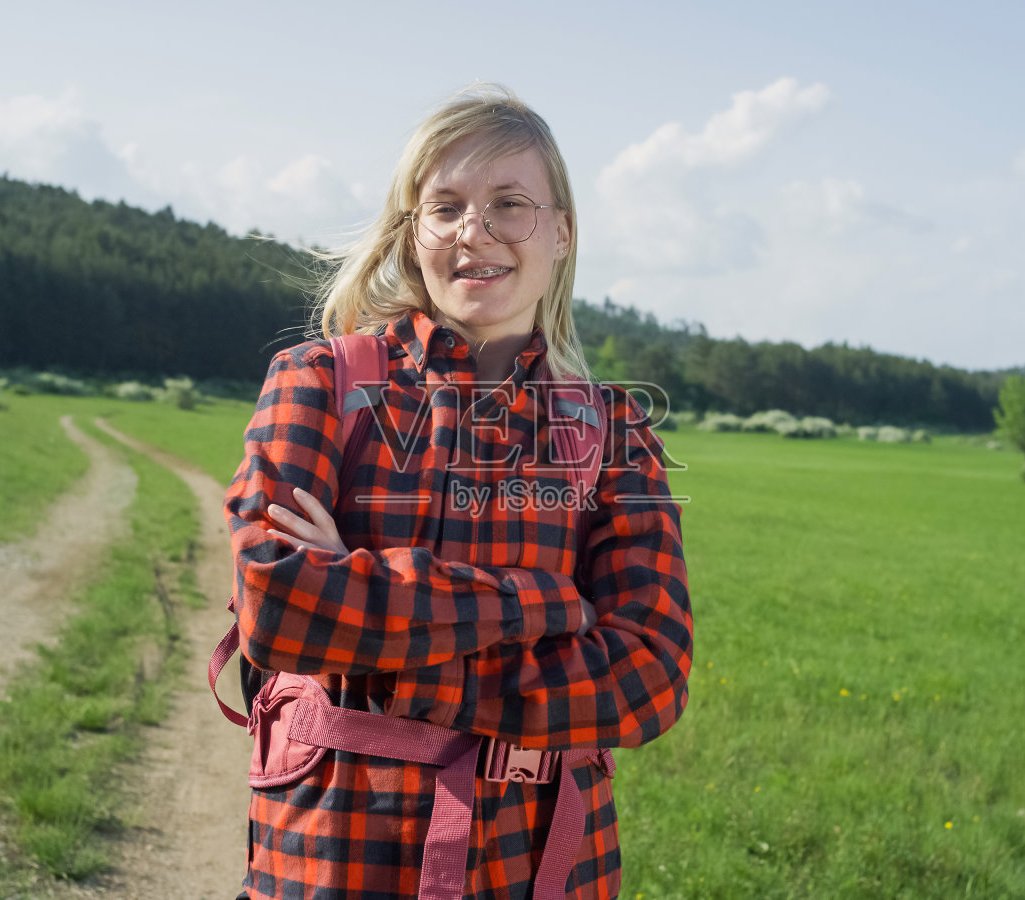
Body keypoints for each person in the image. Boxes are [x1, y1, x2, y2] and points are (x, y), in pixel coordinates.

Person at [224, 83, 692, 900]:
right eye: (446, 207)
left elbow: (650, 675)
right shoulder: (319, 385)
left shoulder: (614, 432)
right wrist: (545, 604)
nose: (475, 230)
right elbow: (280, 607)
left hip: (540, 858)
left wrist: (383, 657)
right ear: (414, 235)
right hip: (335, 849)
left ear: (561, 233)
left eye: (510, 203)